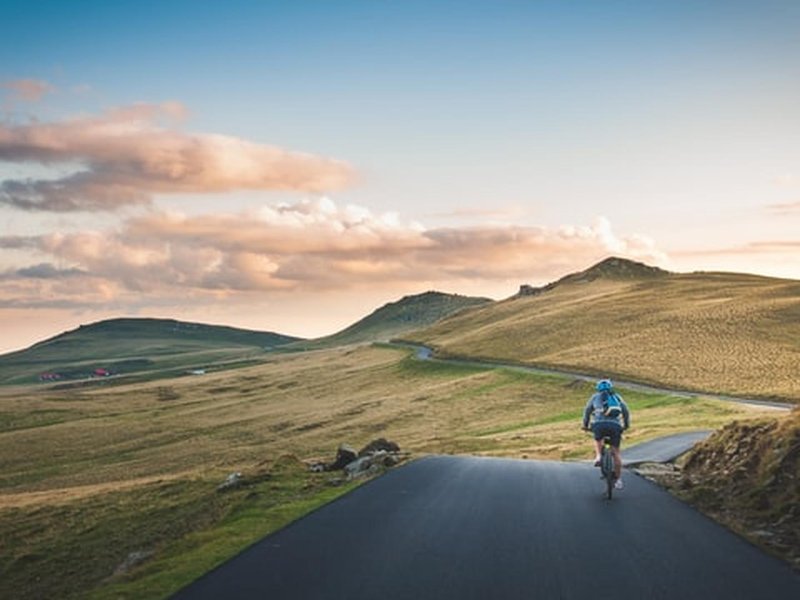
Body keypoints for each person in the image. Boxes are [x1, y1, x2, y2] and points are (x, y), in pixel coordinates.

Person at [582, 379, 630, 489]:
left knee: (598, 439)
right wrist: (626, 425)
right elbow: (625, 411)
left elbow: (587, 411)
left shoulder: (594, 397)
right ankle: (618, 480)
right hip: (615, 426)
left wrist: (585, 425)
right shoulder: (617, 397)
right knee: (616, 452)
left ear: (598, 388)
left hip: (599, 424)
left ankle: (598, 456)